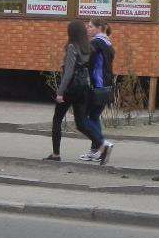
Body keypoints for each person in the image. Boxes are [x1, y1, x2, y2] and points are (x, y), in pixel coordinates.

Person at [46, 19, 105, 162]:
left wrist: (60, 92)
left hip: (70, 88)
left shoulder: (72, 46)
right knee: (81, 122)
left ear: (71, 32)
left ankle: (56, 154)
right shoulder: (88, 47)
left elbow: (69, 73)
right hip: (83, 87)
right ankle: (102, 144)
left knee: (57, 120)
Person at [82, 18, 116, 163]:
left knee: (86, 118)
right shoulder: (108, 43)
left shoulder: (96, 43)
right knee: (94, 116)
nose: (87, 29)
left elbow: (87, 63)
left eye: (90, 27)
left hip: (96, 86)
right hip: (106, 86)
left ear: (98, 28)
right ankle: (96, 150)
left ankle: (101, 145)